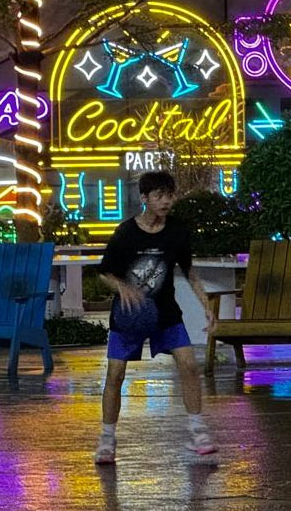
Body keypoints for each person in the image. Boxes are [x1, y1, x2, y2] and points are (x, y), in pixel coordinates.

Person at [94, 170, 218, 465]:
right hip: (131, 315)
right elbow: (104, 272)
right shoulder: (126, 233)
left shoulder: (177, 231)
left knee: (189, 365)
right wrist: (122, 286)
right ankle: (107, 439)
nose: (166, 201)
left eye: (170, 195)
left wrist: (206, 306)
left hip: (164, 312)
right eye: (159, 196)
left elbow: (189, 272)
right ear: (145, 198)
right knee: (115, 374)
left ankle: (198, 432)